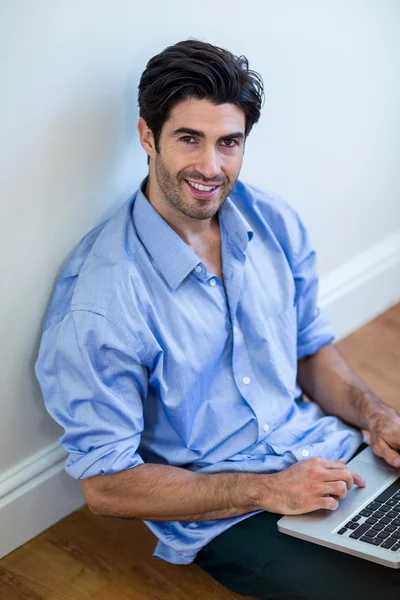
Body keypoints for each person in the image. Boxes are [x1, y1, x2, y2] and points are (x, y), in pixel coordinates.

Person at [35, 40, 400, 599]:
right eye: (189, 139)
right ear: (146, 135)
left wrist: (374, 416)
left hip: (332, 452)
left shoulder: (273, 220)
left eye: (228, 142)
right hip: (236, 512)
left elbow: (307, 349)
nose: (211, 167)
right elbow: (107, 487)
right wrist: (266, 490)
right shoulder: (101, 304)